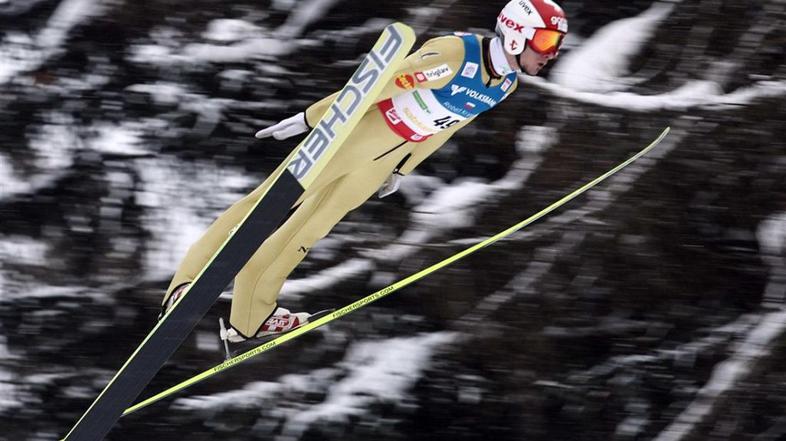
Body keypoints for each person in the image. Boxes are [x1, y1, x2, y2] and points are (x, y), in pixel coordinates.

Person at [160, 0, 569, 342]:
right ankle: (187, 283)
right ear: (517, 32)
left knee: (307, 231)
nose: (551, 52)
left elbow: (450, 125)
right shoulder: (455, 54)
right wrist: (312, 117)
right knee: (267, 205)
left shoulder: (504, 85)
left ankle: (249, 317)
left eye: (558, 44)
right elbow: (377, 85)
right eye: (547, 41)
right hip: (354, 135)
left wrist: (403, 168)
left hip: (384, 158)